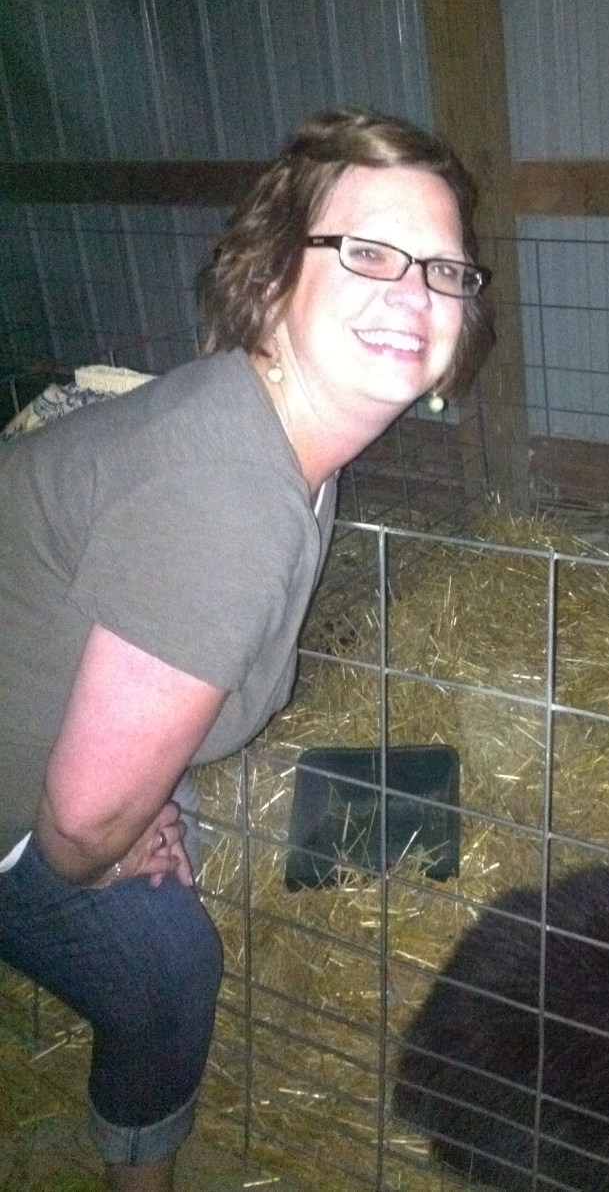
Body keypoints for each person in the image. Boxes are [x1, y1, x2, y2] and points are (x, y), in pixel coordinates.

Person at [0, 108, 495, 1191]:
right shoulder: (229, 494)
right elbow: (79, 823)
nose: (414, 294)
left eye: (444, 270)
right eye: (368, 253)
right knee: (169, 961)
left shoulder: (274, 428)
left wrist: (135, 791)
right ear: (273, 277)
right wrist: (106, 838)